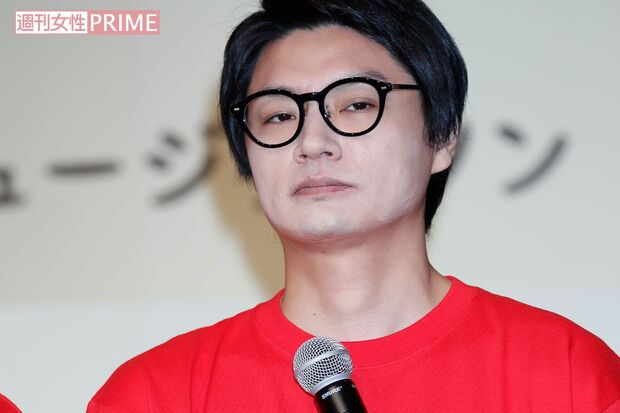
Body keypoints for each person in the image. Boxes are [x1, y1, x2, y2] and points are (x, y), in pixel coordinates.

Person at [87, 0, 620, 411]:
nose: (313, 142)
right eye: (278, 116)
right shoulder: (155, 394)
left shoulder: (567, 372)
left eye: (357, 104)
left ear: (442, 137)